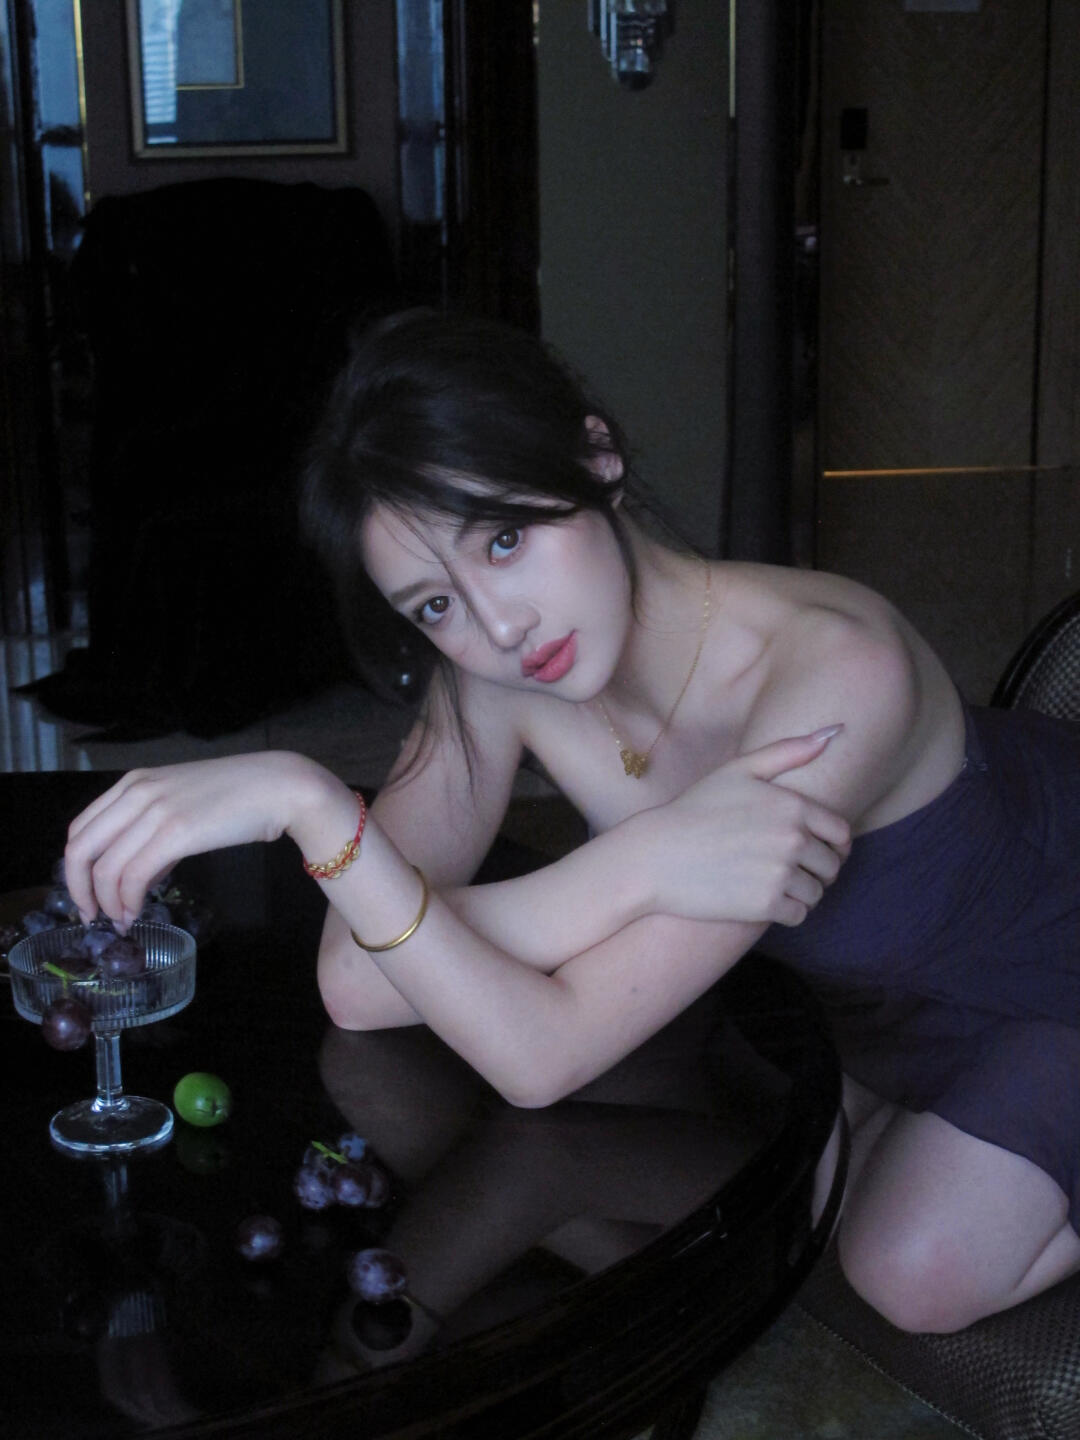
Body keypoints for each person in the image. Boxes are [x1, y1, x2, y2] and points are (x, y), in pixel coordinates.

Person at [64, 309, 1080, 1336]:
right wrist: (644, 861)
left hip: (1048, 972)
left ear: (596, 459)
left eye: (505, 540)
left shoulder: (833, 672)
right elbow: (358, 987)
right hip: (861, 1024)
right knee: (707, 1174)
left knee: (908, 1270)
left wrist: (321, 814)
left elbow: (537, 1057)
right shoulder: (494, 679)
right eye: (434, 605)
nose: (500, 625)